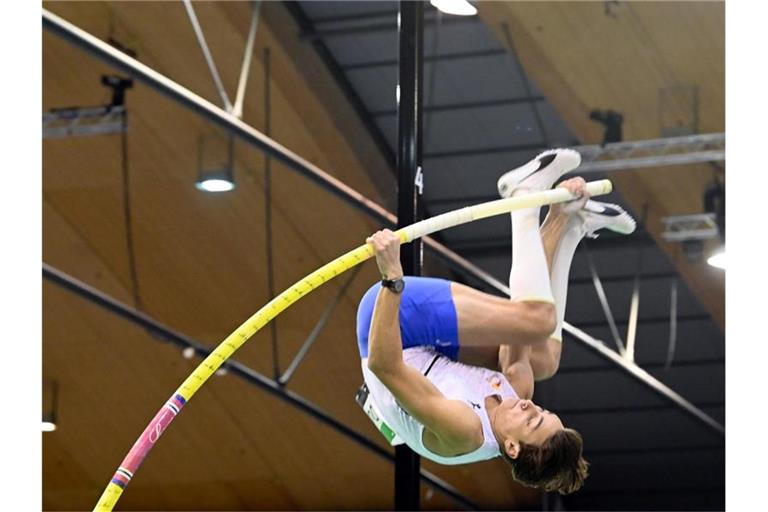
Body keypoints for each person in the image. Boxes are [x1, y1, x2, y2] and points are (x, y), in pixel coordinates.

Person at [356, 149, 636, 494]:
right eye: (543, 411)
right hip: (431, 348)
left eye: (532, 420)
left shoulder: (465, 430)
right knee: (543, 356)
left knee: (537, 320)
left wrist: (392, 279)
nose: (531, 405)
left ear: (513, 448)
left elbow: (385, 365)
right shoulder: (517, 392)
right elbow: (518, 316)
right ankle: (568, 222)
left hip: (391, 326)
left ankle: (523, 197)